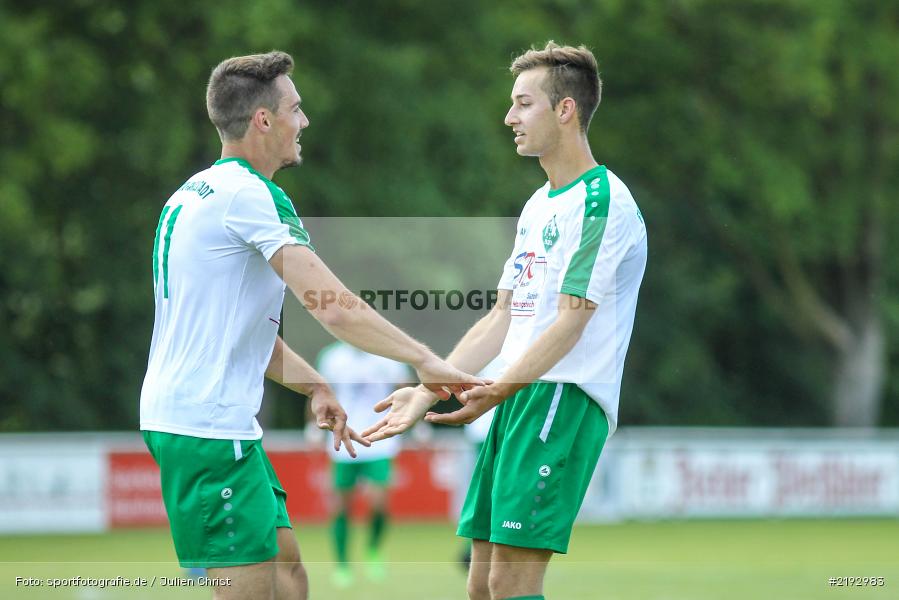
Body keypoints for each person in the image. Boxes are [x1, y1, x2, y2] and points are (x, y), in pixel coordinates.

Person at [139, 51, 482, 600]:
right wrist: (424, 359)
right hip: (208, 429)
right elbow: (332, 306)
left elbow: (239, 331)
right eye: (295, 109)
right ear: (263, 120)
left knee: (288, 573)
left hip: (199, 420)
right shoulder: (251, 195)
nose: (304, 121)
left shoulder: (194, 192)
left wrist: (314, 385)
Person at [364, 42, 647, 600]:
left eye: (523, 103)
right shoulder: (539, 204)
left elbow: (571, 322)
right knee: (480, 585)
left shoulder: (601, 202)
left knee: (511, 583)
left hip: (560, 397)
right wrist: (427, 389)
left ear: (565, 110)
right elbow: (501, 317)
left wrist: (497, 389)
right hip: (516, 395)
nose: (509, 117)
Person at [315, 342, 411, 587]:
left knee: (379, 502)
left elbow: (405, 392)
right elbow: (319, 394)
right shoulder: (332, 357)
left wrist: (414, 423)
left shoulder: (389, 356)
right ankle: (342, 564)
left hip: (379, 440)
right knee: (340, 506)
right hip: (341, 437)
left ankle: (373, 550)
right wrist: (313, 425)